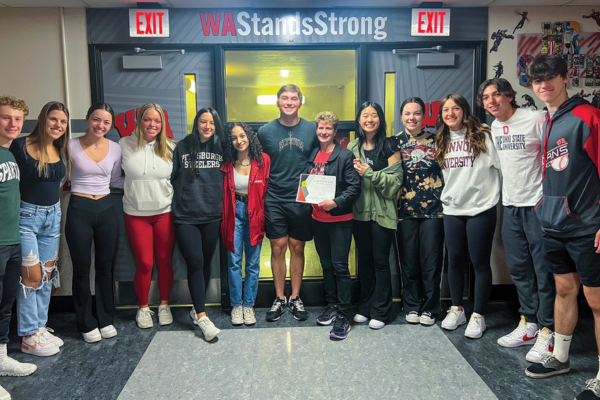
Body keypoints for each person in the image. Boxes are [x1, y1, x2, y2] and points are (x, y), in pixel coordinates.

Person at [524, 55, 600, 400]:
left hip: (588, 226)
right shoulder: (550, 119)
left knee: (597, 301)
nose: (544, 85)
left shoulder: (588, 117)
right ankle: (561, 356)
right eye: (538, 81)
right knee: (565, 290)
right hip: (554, 224)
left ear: (566, 77)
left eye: (551, 78)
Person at [478, 78, 555, 362]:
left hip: (538, 205)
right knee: (519, 268)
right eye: (486, 97)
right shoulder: (494, 129)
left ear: (509, 96)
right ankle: (529, 323)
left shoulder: (536, 118)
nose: (491, 101)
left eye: (496, 94)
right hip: (510, 207)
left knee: (543, 270)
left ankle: (549, 330)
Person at [436, 94, 501, 339]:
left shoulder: (485, 134)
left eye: (455, 108)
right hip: (452, 209)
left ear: (464, 110)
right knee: (454, 260)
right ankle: (457, 309)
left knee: (480, 263)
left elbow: (502, 167)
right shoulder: (441, 139)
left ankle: (479, 315)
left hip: (480, 208)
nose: (450, 113)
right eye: (445, 110)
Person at [10, 101, 71, 357]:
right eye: (53, 119)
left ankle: (39, 327)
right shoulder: (20, 145)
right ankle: (27, 335)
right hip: (26, 218)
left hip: (53, 216)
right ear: (42, 119)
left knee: (46, 276)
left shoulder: (60, 149)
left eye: (63, 122)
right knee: (30, 277)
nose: (58, 125)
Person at [258, 84, 318, 322]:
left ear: (300, 102)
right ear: (278, 102)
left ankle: (295, 298)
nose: (289, 102)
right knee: (277, 247)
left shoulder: (312, 129)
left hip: (301, 196)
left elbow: (319, 157)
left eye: (294, 98)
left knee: (297, 248)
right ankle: (279, 298)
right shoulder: (265, 132)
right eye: (285, 98)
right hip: (274, 196)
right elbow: (258, 162)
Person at [65, 103, 124, 343]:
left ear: (111, 125)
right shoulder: (69, 145)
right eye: (97, 119)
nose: (101, 125)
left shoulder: (116, 148)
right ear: (88, 119)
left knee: (105, 266)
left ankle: (105, 318)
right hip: (79, 208)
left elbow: (117, 179)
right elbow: (60, 177)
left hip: (107, 208)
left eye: (106, 122)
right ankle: (85, 322)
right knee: (81, 268)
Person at [119, 103, 176, 329]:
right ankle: (143, 308)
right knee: (144, 263)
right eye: (147, 120)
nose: (152, 125)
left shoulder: (171, 146)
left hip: (164, 212)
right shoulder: (124, 144)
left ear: (162, 124)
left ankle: (164, 305)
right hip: (135, 213)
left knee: (164, 261)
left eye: (157, 121)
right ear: (140, 121)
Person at [348, 101, 403, 330]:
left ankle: (382, 310)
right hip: (359, 214)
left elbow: (395, 184)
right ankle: (365, 306)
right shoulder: (352, 147)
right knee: (366, 262)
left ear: (380, 119)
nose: (369, 119)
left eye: (374, 115)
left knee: (382, 262)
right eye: (365, 115)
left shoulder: (390, 146)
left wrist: (369, 173)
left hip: (383, 214)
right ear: (359, 120)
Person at [172, 107, 225, 342]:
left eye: (212, 123)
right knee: (194, 261)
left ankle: (196, 307)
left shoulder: (222, 147)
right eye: (203, 122)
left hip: (212, 214)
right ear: (197, 123)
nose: (207, 126)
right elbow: (172, 178)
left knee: (205, 263)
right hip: (186, 216)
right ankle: (202, 317)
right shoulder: (182, 147)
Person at [309, 111, 361, 340]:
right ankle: (331, 304)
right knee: (326, 264)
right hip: (318, 220)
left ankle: (344, 313)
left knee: (340, 267)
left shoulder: (345, 155)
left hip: (339, 221)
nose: (323, 131)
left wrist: (336, 202)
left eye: (328, 128)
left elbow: (354, 188)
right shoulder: (313, 154)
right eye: (321, 128)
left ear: (334, 131)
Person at [394, 97, 444, 327]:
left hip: (435, 210)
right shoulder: (393, 142)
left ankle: (431, 307)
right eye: (407, 113)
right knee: (409, 260)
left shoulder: (437, 140)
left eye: (416, 113)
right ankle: (411, 304)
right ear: (401, 116)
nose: (411, 118)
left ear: (424, 117)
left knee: (431, 261)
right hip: (404, 211)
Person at [0, 95, 37, 399]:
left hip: (12, 240)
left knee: (5, 303)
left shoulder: (10, 154)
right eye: (5, 117)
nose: (13, 124)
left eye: (18, 119)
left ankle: (1, 359)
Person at [221, 122, 270, 326]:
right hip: (233, 212)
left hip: (255, 213)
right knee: (233, 262)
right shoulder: (227, 162)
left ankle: (249, 305)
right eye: (234, 137)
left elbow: (268, 188)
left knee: (252, 263)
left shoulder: (263, 160)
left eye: (242, 136)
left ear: (249, 137)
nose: (239, 141)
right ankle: (236, 305)